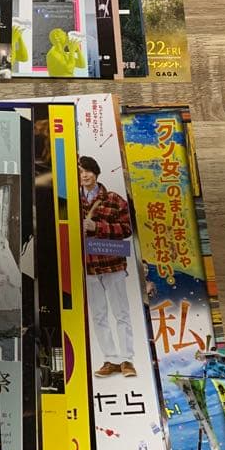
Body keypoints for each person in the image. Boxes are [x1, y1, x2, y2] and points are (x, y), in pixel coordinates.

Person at [80, 155, 137, 377]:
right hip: (87, 267)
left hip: (113, 265)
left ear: (96, 172)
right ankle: (110, 360)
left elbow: (127, 229)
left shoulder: (113, 199)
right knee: (98, 315)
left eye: (88, 170)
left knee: (121, 312)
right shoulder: (71, 201)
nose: (84, 175)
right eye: (80, 171)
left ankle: (127, 360)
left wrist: (97, 227)